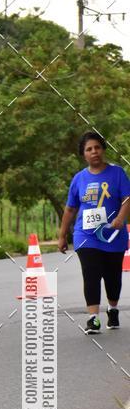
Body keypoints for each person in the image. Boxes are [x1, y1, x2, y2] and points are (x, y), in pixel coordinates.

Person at [58, 132, 130, 334]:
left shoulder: (117, 173)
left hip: (112, 234)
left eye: (97, 147)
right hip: (86, 235)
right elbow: (70, 208)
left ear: (103, 149)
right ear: (84, 154)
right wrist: (62, 235)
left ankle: (113, 309)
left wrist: (120, 218)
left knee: (112, 277)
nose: (94, 152)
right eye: (89, 149)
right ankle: (93, 318)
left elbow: (127, 199)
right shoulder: (79, 179)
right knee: (91, 273)